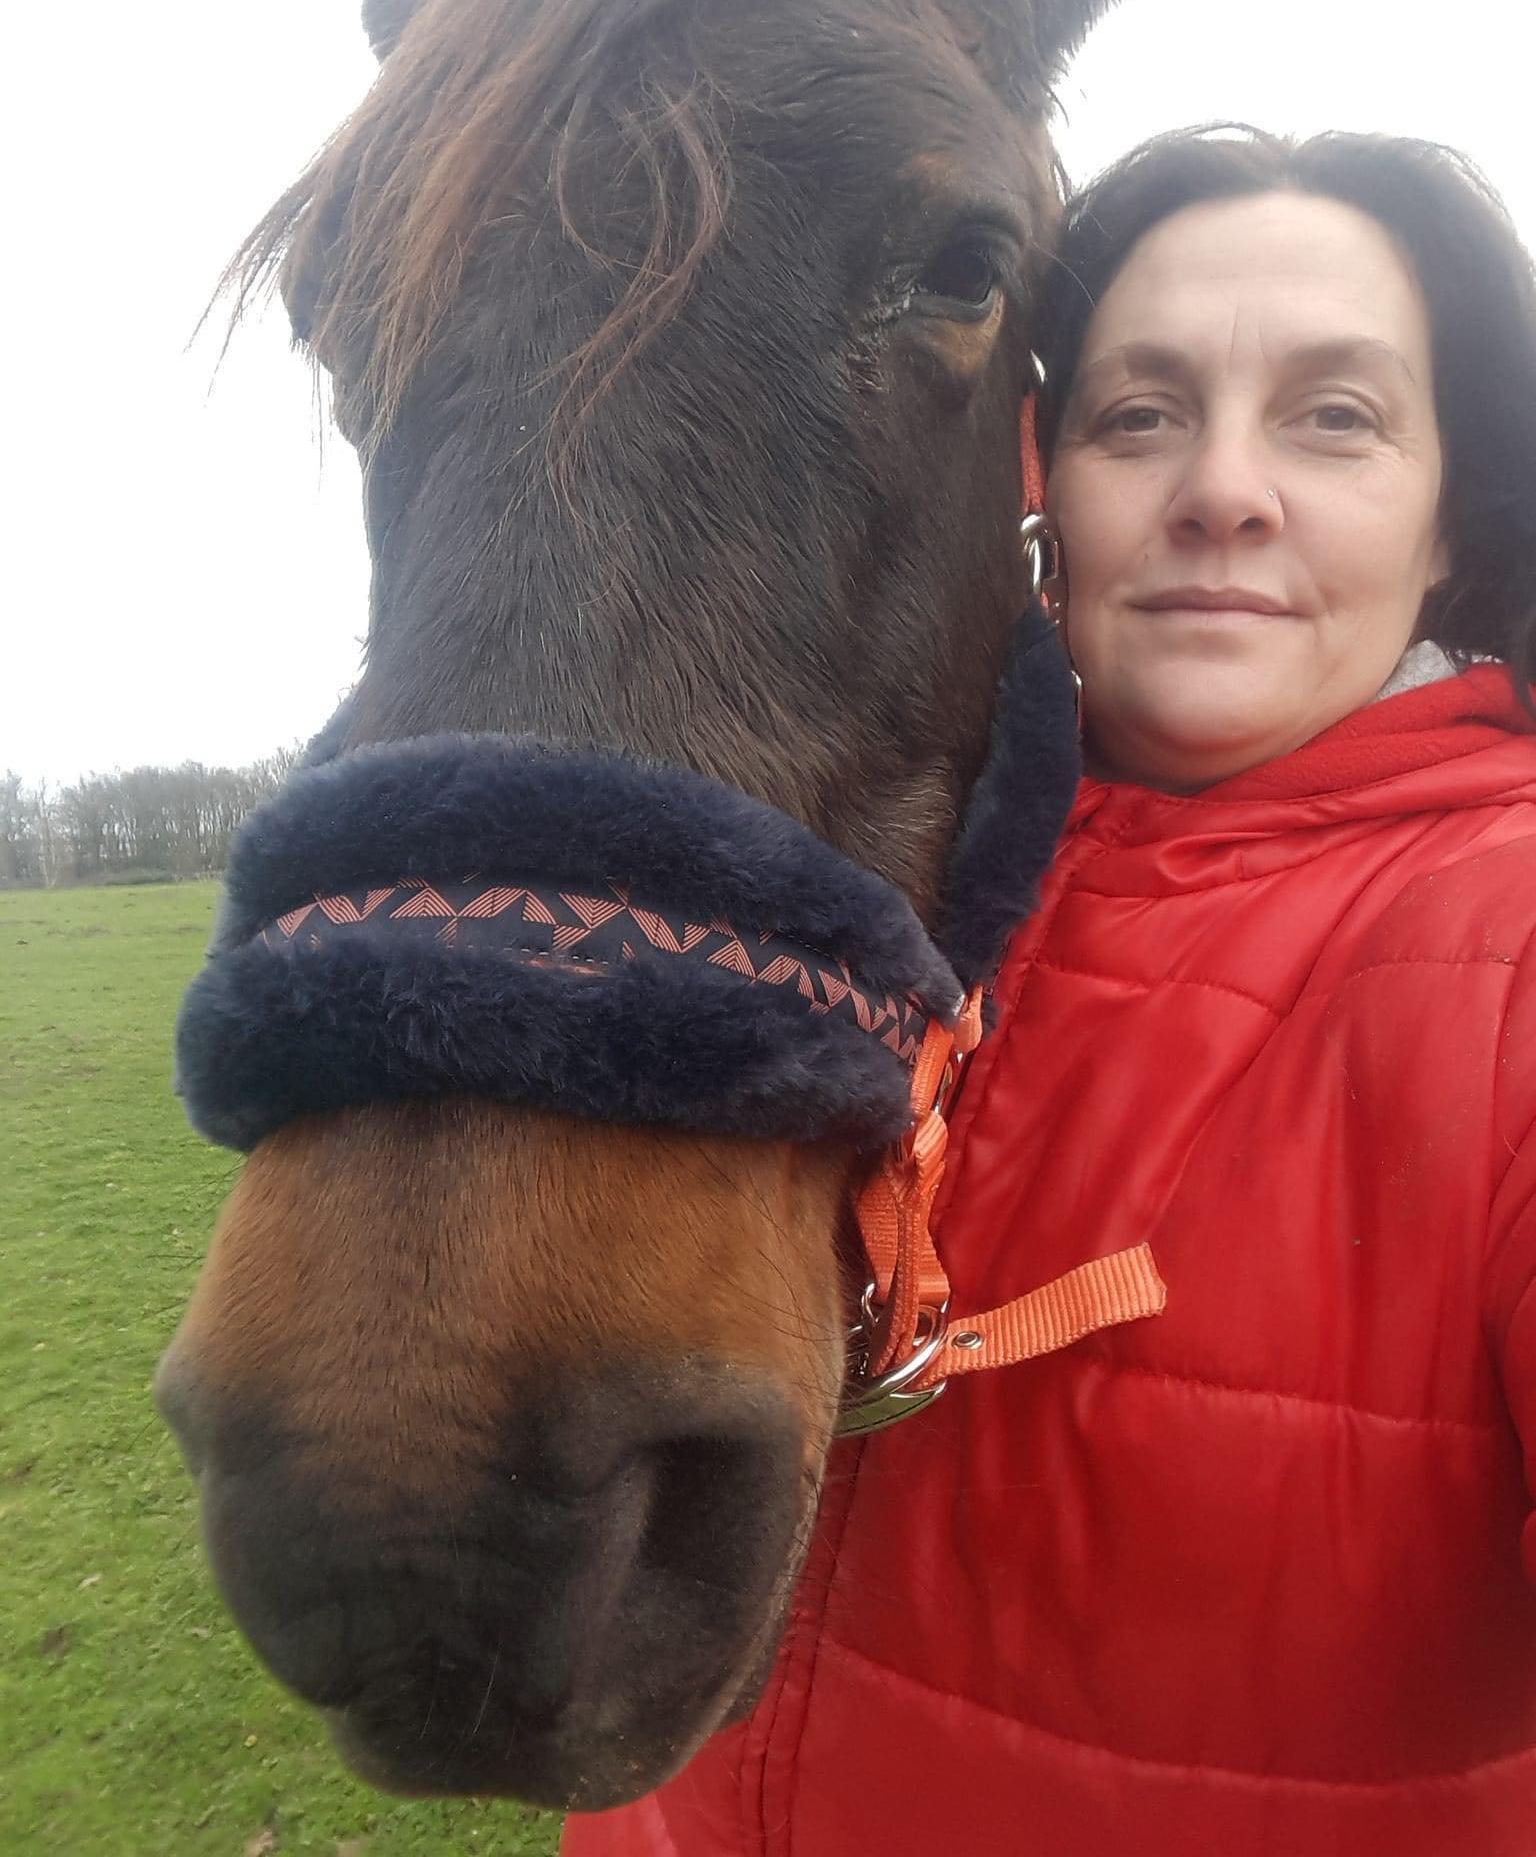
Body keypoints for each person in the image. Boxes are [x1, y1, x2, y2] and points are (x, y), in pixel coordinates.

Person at [563, 127, 1536, 1856]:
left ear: (1453, 516)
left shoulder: (1508, 939)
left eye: (1336, 416)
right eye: (1139, 413)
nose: (1222, 488)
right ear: (1038, 484)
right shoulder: (879, 887)